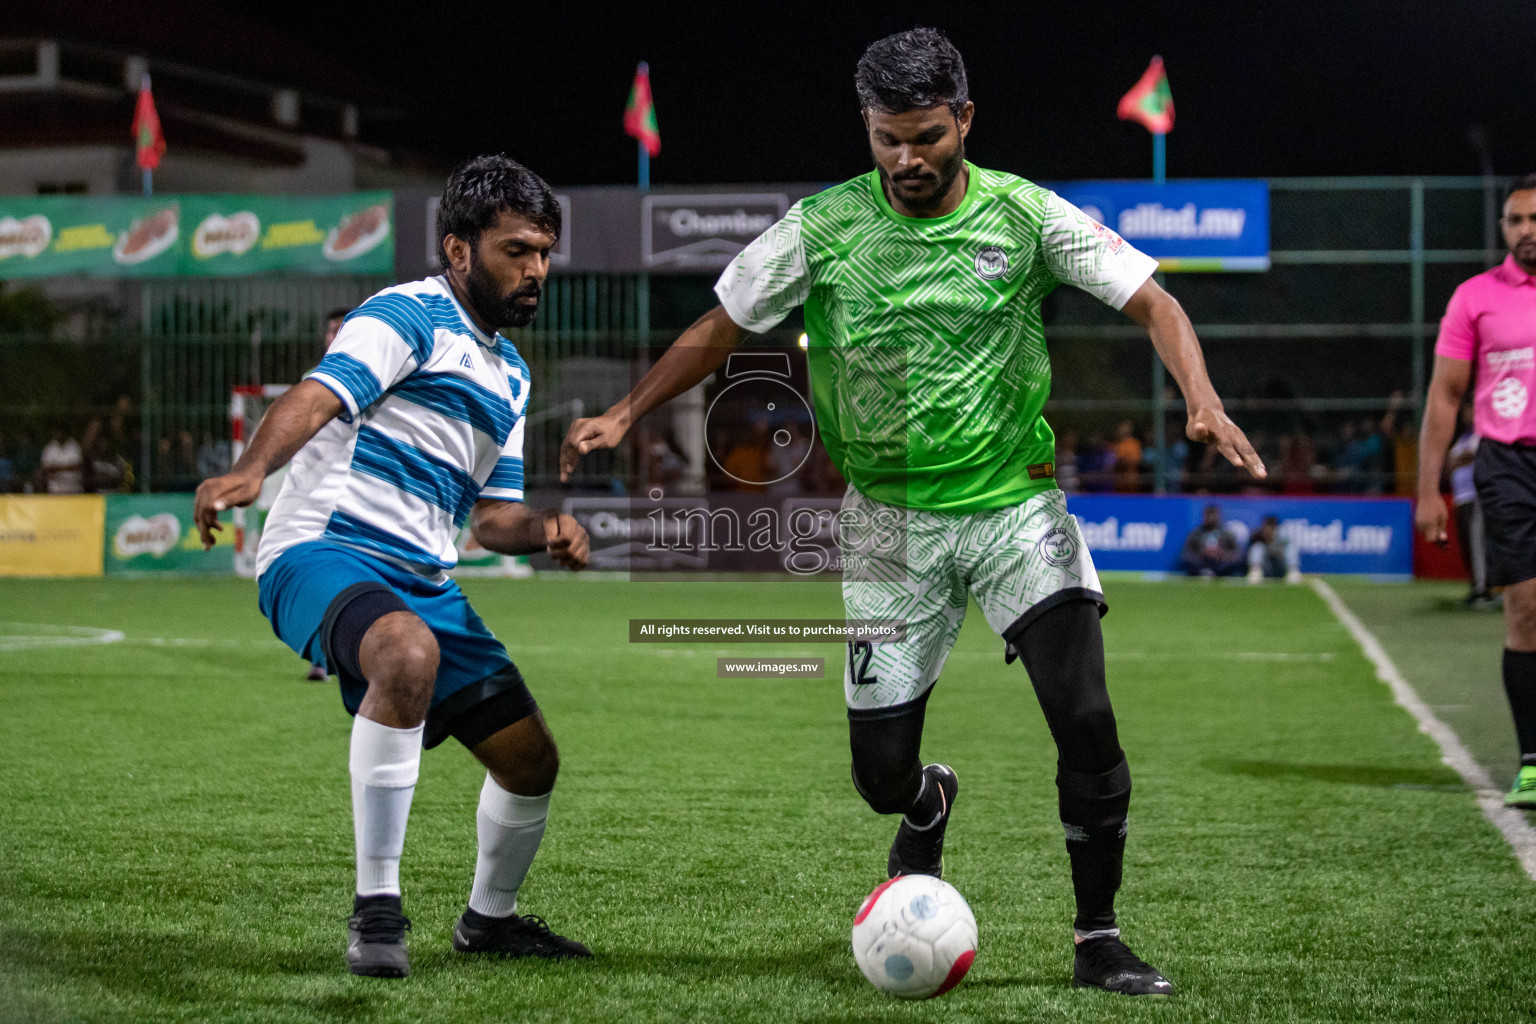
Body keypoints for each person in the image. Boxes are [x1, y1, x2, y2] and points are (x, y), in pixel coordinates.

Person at [561, 28, 1264, 996]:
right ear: (867, 127)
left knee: (1087, 716)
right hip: (889, 525)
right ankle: (928, 802)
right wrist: (624, 411)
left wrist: (1202, 396)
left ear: (964, 119)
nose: (907, 159)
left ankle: (1097, 933)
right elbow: (722, 321)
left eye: (927, 136)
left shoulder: (1025, 216)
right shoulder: (824, 226)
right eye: (888, 138)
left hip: (1016, 507)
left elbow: (1154, 302)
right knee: (878, 776)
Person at [194, 155, 593, 978]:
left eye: (544, 254)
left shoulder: (510, 374)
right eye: (517, 250)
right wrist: (250, 470)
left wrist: (547, 529)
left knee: (530, 761)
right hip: (322, 550)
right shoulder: (407, 316)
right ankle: (377, 910)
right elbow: (315, 395)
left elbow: (493, 517)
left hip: (422, 578)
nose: (536, 271)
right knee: (405, 652)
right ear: (457, 250)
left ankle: (491, 922)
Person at [1417, 173, 1536, 809]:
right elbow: (1445, 395)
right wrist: (1428, 488)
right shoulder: (1475, 297)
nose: (1526, 230)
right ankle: (1532, 759)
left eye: (1535, 218)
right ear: (1503, 230)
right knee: (1524, 610)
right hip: (1508, 465)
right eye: (1516, 221)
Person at [303, 308, 355, 682]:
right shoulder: (311, 381)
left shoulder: (371, 377)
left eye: (340, 329)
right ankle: (321, 657)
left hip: (353, 492)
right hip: (312, 492)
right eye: (329, 330)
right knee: (317, 573)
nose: (332, 336)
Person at [1447, 405, 1491, 605]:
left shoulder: (1483, 430)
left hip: (1476, 495)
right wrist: (1456, 460)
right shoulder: (1463, 437)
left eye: (1470, 409)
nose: (1466, 414)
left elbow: (1471, 455)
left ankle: (1484, 589)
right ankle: (1476, 585)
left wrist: (1457, 459)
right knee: (1467, 545)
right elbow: (1450, 461)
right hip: (1461, 496)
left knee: (1477, 541)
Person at [1180, 504, 1244, 577]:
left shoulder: (1227, 534)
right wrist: (1202, 552)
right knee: (1190, 563)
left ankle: (1216, 573)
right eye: (1208, 514)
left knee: (1230, 564)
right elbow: (1186, 553)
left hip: (1221, 563)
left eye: (1213, 514)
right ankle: (1203, 572)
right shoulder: (1196, 533)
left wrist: (1222, 554)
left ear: (1218, 516)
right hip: (1201, 562)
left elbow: (1238, 554)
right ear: (1204, 516)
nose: (1211, 517)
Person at [1245, 515, 1301, 584]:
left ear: (1275, 527)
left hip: (1280, 567)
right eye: (1266, 527)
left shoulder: (1282, 537)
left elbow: (1286, 554)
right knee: (1257, 547)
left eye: (1271, 527)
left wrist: (1274, 551)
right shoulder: (1258, 535)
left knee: (1291, 548)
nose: (1267, 530)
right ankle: (1255, 572)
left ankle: (1293, 572)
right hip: (1266, 568)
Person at [37, 424, 83, 494]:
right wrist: (68, 467)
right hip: (55, 489)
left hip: (74, 489)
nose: (59, 434)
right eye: (56, 432)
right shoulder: (49, 448)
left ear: (65, 433)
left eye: (60, 432)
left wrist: (56, 468)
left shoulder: (74, 446)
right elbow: (45, 468)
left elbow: (77, 466)